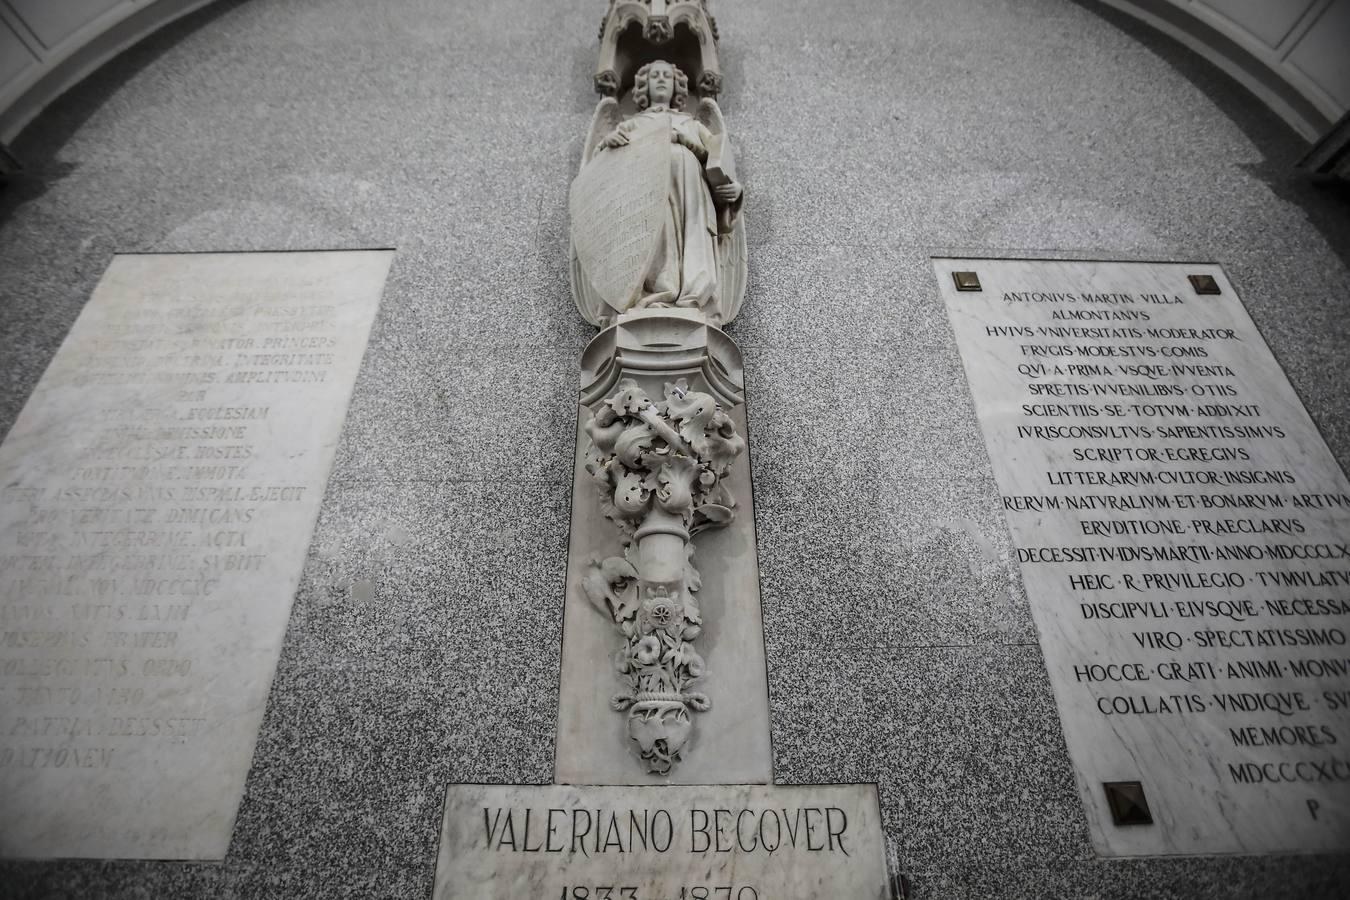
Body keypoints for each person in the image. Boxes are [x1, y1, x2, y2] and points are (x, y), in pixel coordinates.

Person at [597, 60, 742, 311]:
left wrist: (735, 192)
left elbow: (719, 161)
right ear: (645, 86)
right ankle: (653, 294)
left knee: (691, 237)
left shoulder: (692, 124)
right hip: (646, 188)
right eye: (655, 76)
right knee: (655, 235)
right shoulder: (632, 124)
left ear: (677, 86)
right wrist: (606, 144)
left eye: (667, 75)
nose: (662, 79)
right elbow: (601, 174)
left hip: (690, 191)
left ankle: (692, 297)